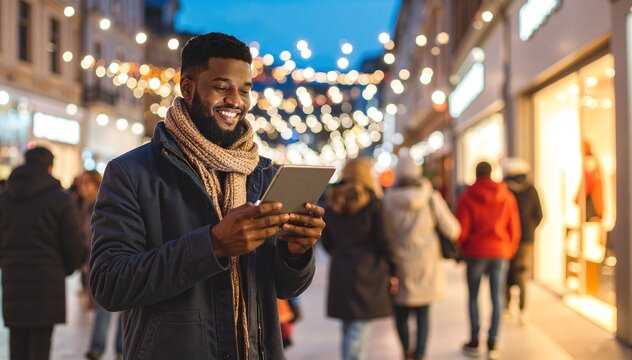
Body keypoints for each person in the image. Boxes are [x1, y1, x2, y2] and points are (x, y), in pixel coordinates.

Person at [89, 32, 323, 360]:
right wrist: (212, 245)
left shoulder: (263, 173)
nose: (236, 101)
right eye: (221, 86)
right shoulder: (132, 173)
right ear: (188, 87)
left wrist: (296, 253)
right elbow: (109, 284)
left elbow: (284, 288)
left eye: (245, 90)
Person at [0, 146, 86, 360]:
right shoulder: (59, 199)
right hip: (47, 281)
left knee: (16, 344)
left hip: (13, 280)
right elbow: (72, 242)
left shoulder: (5, 198)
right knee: (40, 347)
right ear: (49, 167)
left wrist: (7, 262)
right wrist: (66, 268)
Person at [383, 152, 461, 360]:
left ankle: (406, 352)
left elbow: (382, 235)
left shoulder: (388, 200)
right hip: (426, 264)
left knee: (400, 312)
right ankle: (420, 355)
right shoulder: (431, 198)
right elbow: (453, 230)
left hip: (398, 265)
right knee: (423, 313)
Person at [321, 157, 398, 360]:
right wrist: (394, 271)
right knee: (357, 332)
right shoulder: (374, 204)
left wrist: (341, 254)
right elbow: (386, 241)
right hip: (368, 274)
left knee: (350, 328)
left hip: (341, 271)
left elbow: (327, 241)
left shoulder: (333, 203)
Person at [455, 161, 520, 359]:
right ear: (492, 173)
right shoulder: (506, 195)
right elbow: (514, 228)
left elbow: (462, 230)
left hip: (475, 252)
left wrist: (463, 249)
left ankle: (474, 340)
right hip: (499, 252)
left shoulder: (467, 196)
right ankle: (493, 343)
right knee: (497, 298)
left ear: (475, 174)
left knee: (473, 296)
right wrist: (508, 250)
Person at [78, 170, 123, 360]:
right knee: (103, 307)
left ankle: (115, 349)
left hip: (112, 263)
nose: (83, 187)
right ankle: (102, 348)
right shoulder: (86, 207)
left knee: (113, 307)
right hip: (94, 263)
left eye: (87, 183)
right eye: (82, 183)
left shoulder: (106, 204)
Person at [501, 157, 543, 323]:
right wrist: (529, 229)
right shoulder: (531, 189)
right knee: (522, 272)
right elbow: (539, 215)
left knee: (507, 272)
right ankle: (523, 309)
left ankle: (507, 307)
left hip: (506, 237)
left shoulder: (503, 189)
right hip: (526, 239)